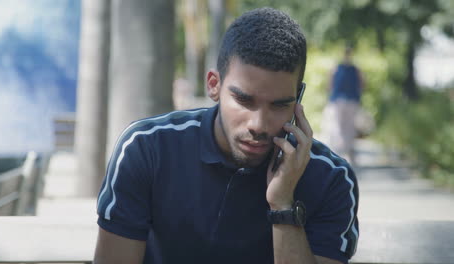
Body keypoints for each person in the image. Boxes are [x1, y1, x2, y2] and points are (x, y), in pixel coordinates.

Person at [93, 7, 359, 264]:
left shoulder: (331, 178)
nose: (259, 124)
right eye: (244, 100)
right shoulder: (147, 148)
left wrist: (283, 204)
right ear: (214, 85)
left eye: (279, 105)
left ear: (298, 99)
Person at [323, 45, 364, 166]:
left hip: (338, 100)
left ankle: (338, 154)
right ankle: (349, 154)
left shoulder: (336, 68)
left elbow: (329, 85)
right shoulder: (355, 69)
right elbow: (362, 84)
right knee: (349, 128)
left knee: (337, 127)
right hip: (351, 100)